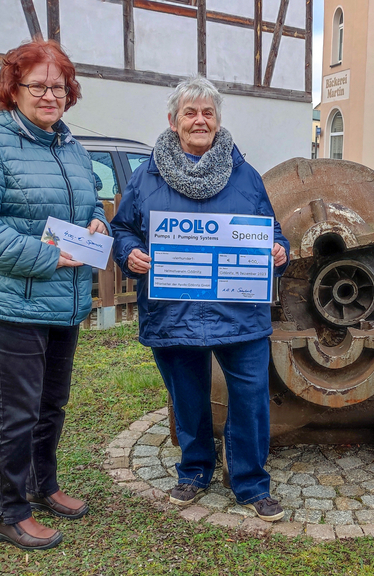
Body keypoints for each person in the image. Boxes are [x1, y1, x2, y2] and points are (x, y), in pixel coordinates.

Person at [0, 39, 109, 550]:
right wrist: (41, 257)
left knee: (51, 404)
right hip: (13, 301)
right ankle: (9, 511)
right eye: (37, 85)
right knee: (17, 410)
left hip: (62, 301)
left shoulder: (71, 147)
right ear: (12, 89)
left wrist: (98, 223)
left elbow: (92, 201)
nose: (49, 95)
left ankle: (43, 487)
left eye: (58, 87)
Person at [111, 76, 289, 522]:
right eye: (190, 112)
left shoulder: (244, 174)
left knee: (250, 399)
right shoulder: (147, 174)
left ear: (218, 121)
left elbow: (271, 230)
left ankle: (249, 482)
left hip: (239, 313)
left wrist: (278, 252)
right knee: (188, 398)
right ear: (173, 121)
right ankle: (194, 471)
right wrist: (127, 252)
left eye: (207, 112)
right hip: (173, 312)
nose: (199, 120)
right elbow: (122, 228)